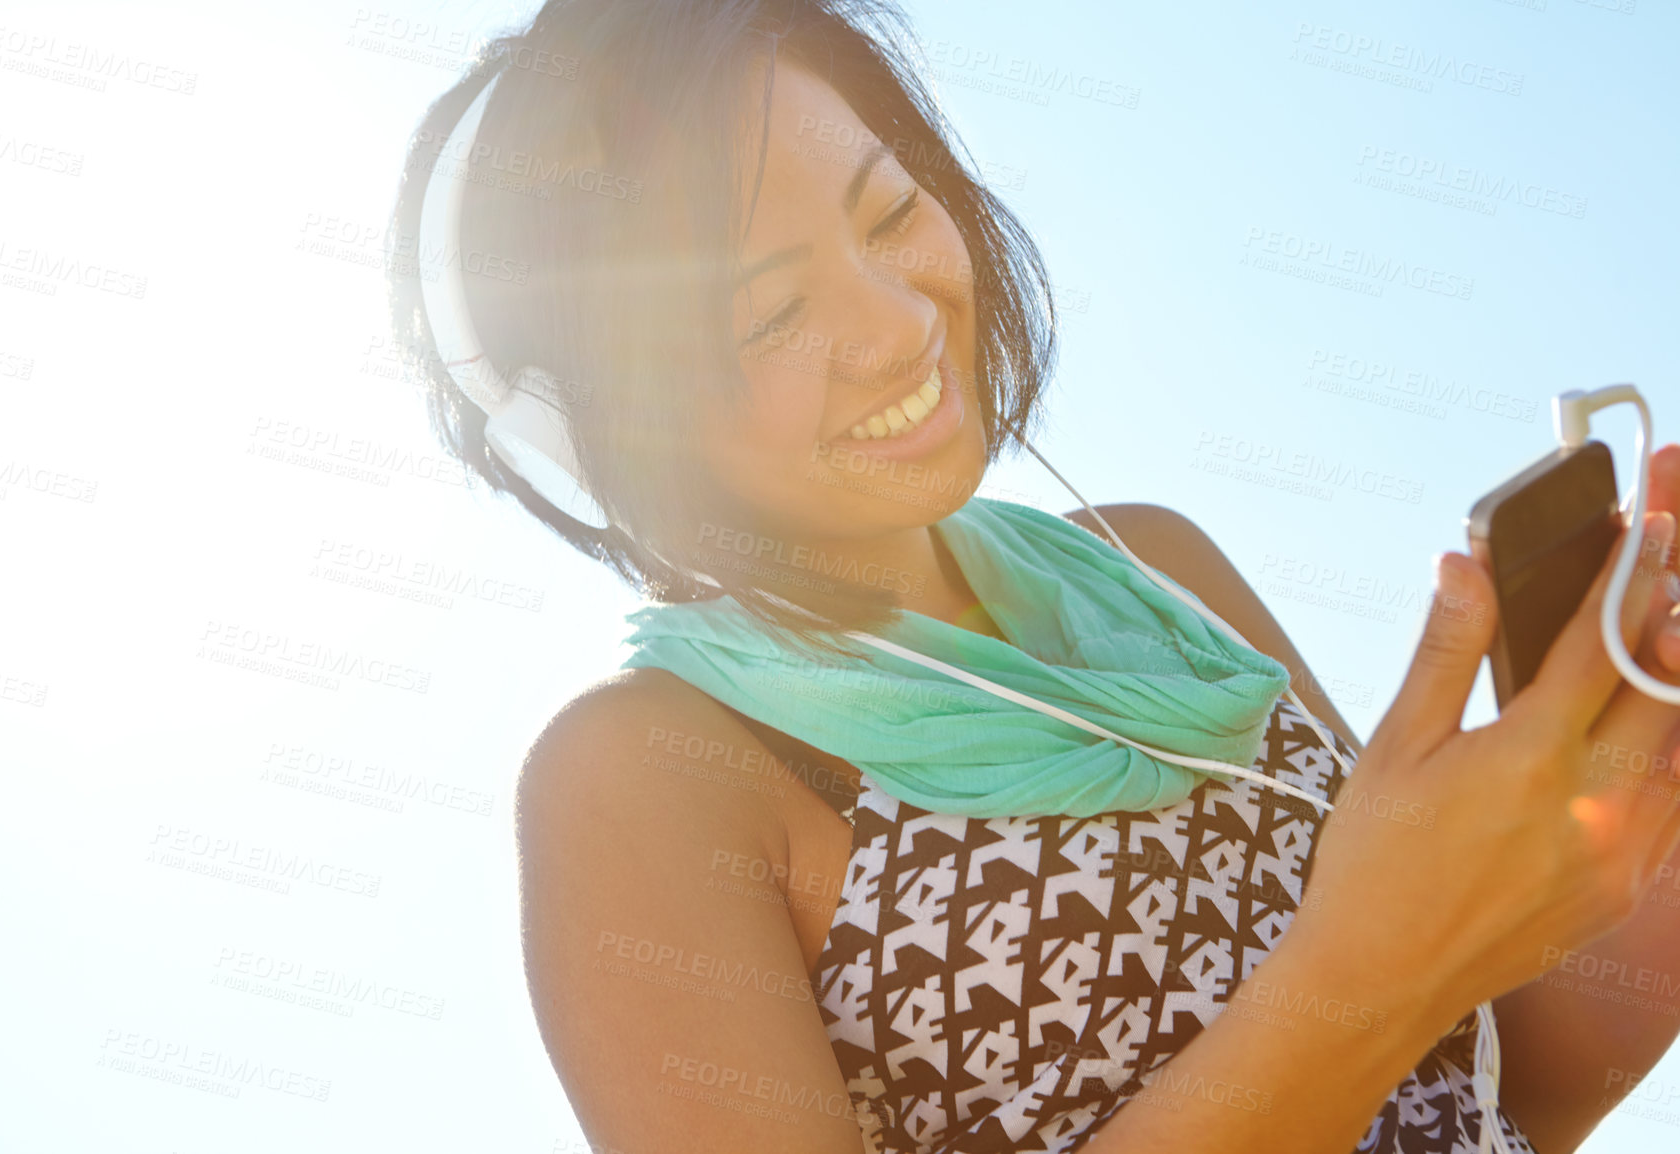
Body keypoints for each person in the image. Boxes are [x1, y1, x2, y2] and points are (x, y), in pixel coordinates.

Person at [386, 2, 1680, 1150]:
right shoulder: (645, 773)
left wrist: (1638, 791)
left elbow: (1497, 1091)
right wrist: (1378, 955)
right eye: (769, 314)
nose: (899, 323)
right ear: (594, 426)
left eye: (893, 211)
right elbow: (1384, 991)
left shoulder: (1151, 565)